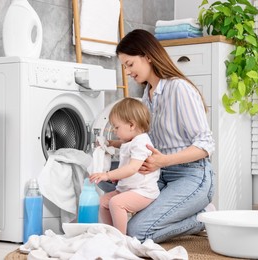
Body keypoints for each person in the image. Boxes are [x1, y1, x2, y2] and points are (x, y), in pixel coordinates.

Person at [114, 29, 216, 243]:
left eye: (130, 64)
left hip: (192, 176)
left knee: (137, 232)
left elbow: (205, 145)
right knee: (117, 198)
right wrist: (114, 144)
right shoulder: (147, 96)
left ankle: (205, 217)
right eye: (125, 67)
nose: (128, 72)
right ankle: (189, 214)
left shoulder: (179, 88)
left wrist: (164, 160)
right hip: (161, 176)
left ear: (148, 56)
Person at [89, 97, 160, 235]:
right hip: (129, 188)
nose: (114, 131)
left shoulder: (141, 142)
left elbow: (132, 168)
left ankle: (120, 238)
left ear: (131, 125)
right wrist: (111, 143)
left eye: (116, 127)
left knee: (116, 203)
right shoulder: (132, 140)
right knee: (104, 201)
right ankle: (111, 233)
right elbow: (124, 146)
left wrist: (108, 175)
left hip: (143, 191)